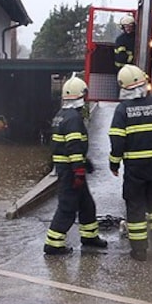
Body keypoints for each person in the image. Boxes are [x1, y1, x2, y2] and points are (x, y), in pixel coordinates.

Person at [108, 64, 152, 261]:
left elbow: (117, 140)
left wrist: (114, 164)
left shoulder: (122, 110)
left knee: (136, 207)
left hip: (135, 169)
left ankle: (139, 251)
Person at [43, 76, 107, 255]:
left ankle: (89, 237)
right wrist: (79, 170)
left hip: (68, 168)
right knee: (67, 207)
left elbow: (61, 146)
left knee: (87, 204)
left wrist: (84, 164)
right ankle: (53, 244)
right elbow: (73, 146)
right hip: (70, 171)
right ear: (80, 96)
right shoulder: (73, 119)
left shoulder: (61, 115)